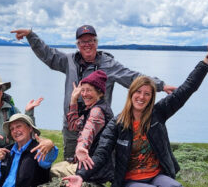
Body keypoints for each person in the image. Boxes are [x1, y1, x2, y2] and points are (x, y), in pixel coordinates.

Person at [64, 37, 208, 187]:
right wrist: (82, 176)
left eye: (147, 94)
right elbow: (101, 154)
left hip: (156, 174)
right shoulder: (117, 123)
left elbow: (187, 89)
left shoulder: (158, 114)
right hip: (129, 181)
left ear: (151, 97)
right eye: (138, 92)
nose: (141, 97)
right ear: (131, 94)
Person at [10, 25, 176, 161]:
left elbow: (132, 77)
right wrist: (31, 36)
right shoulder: (69, 61)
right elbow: (48, 55)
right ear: (77, 45)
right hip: (72, 123)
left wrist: (160, 85)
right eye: (82, 42)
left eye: (90, 41)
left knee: (97, 159)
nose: (86, 45)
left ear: (96, 43)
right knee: (71, 160)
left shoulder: (108, 64)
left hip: (97, 125)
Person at [50, 70, 114, 181]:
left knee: (53, 171)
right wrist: (73, 99)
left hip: (95, 167)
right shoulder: (92, 108)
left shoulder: (97, 112)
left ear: (100, 93)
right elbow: (73, 126)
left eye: (89, 90)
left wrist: (81, 147)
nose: (84, 94)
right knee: (57, 166)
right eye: (82, 90)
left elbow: (88, 131)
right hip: (94, 164)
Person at [0, 114, 58, 187]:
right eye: (12, 129)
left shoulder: (38, 149)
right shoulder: (5, 152)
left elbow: (47, 160)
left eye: (19, 126)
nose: (15, 131)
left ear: (30, 128)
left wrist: (50, 145)